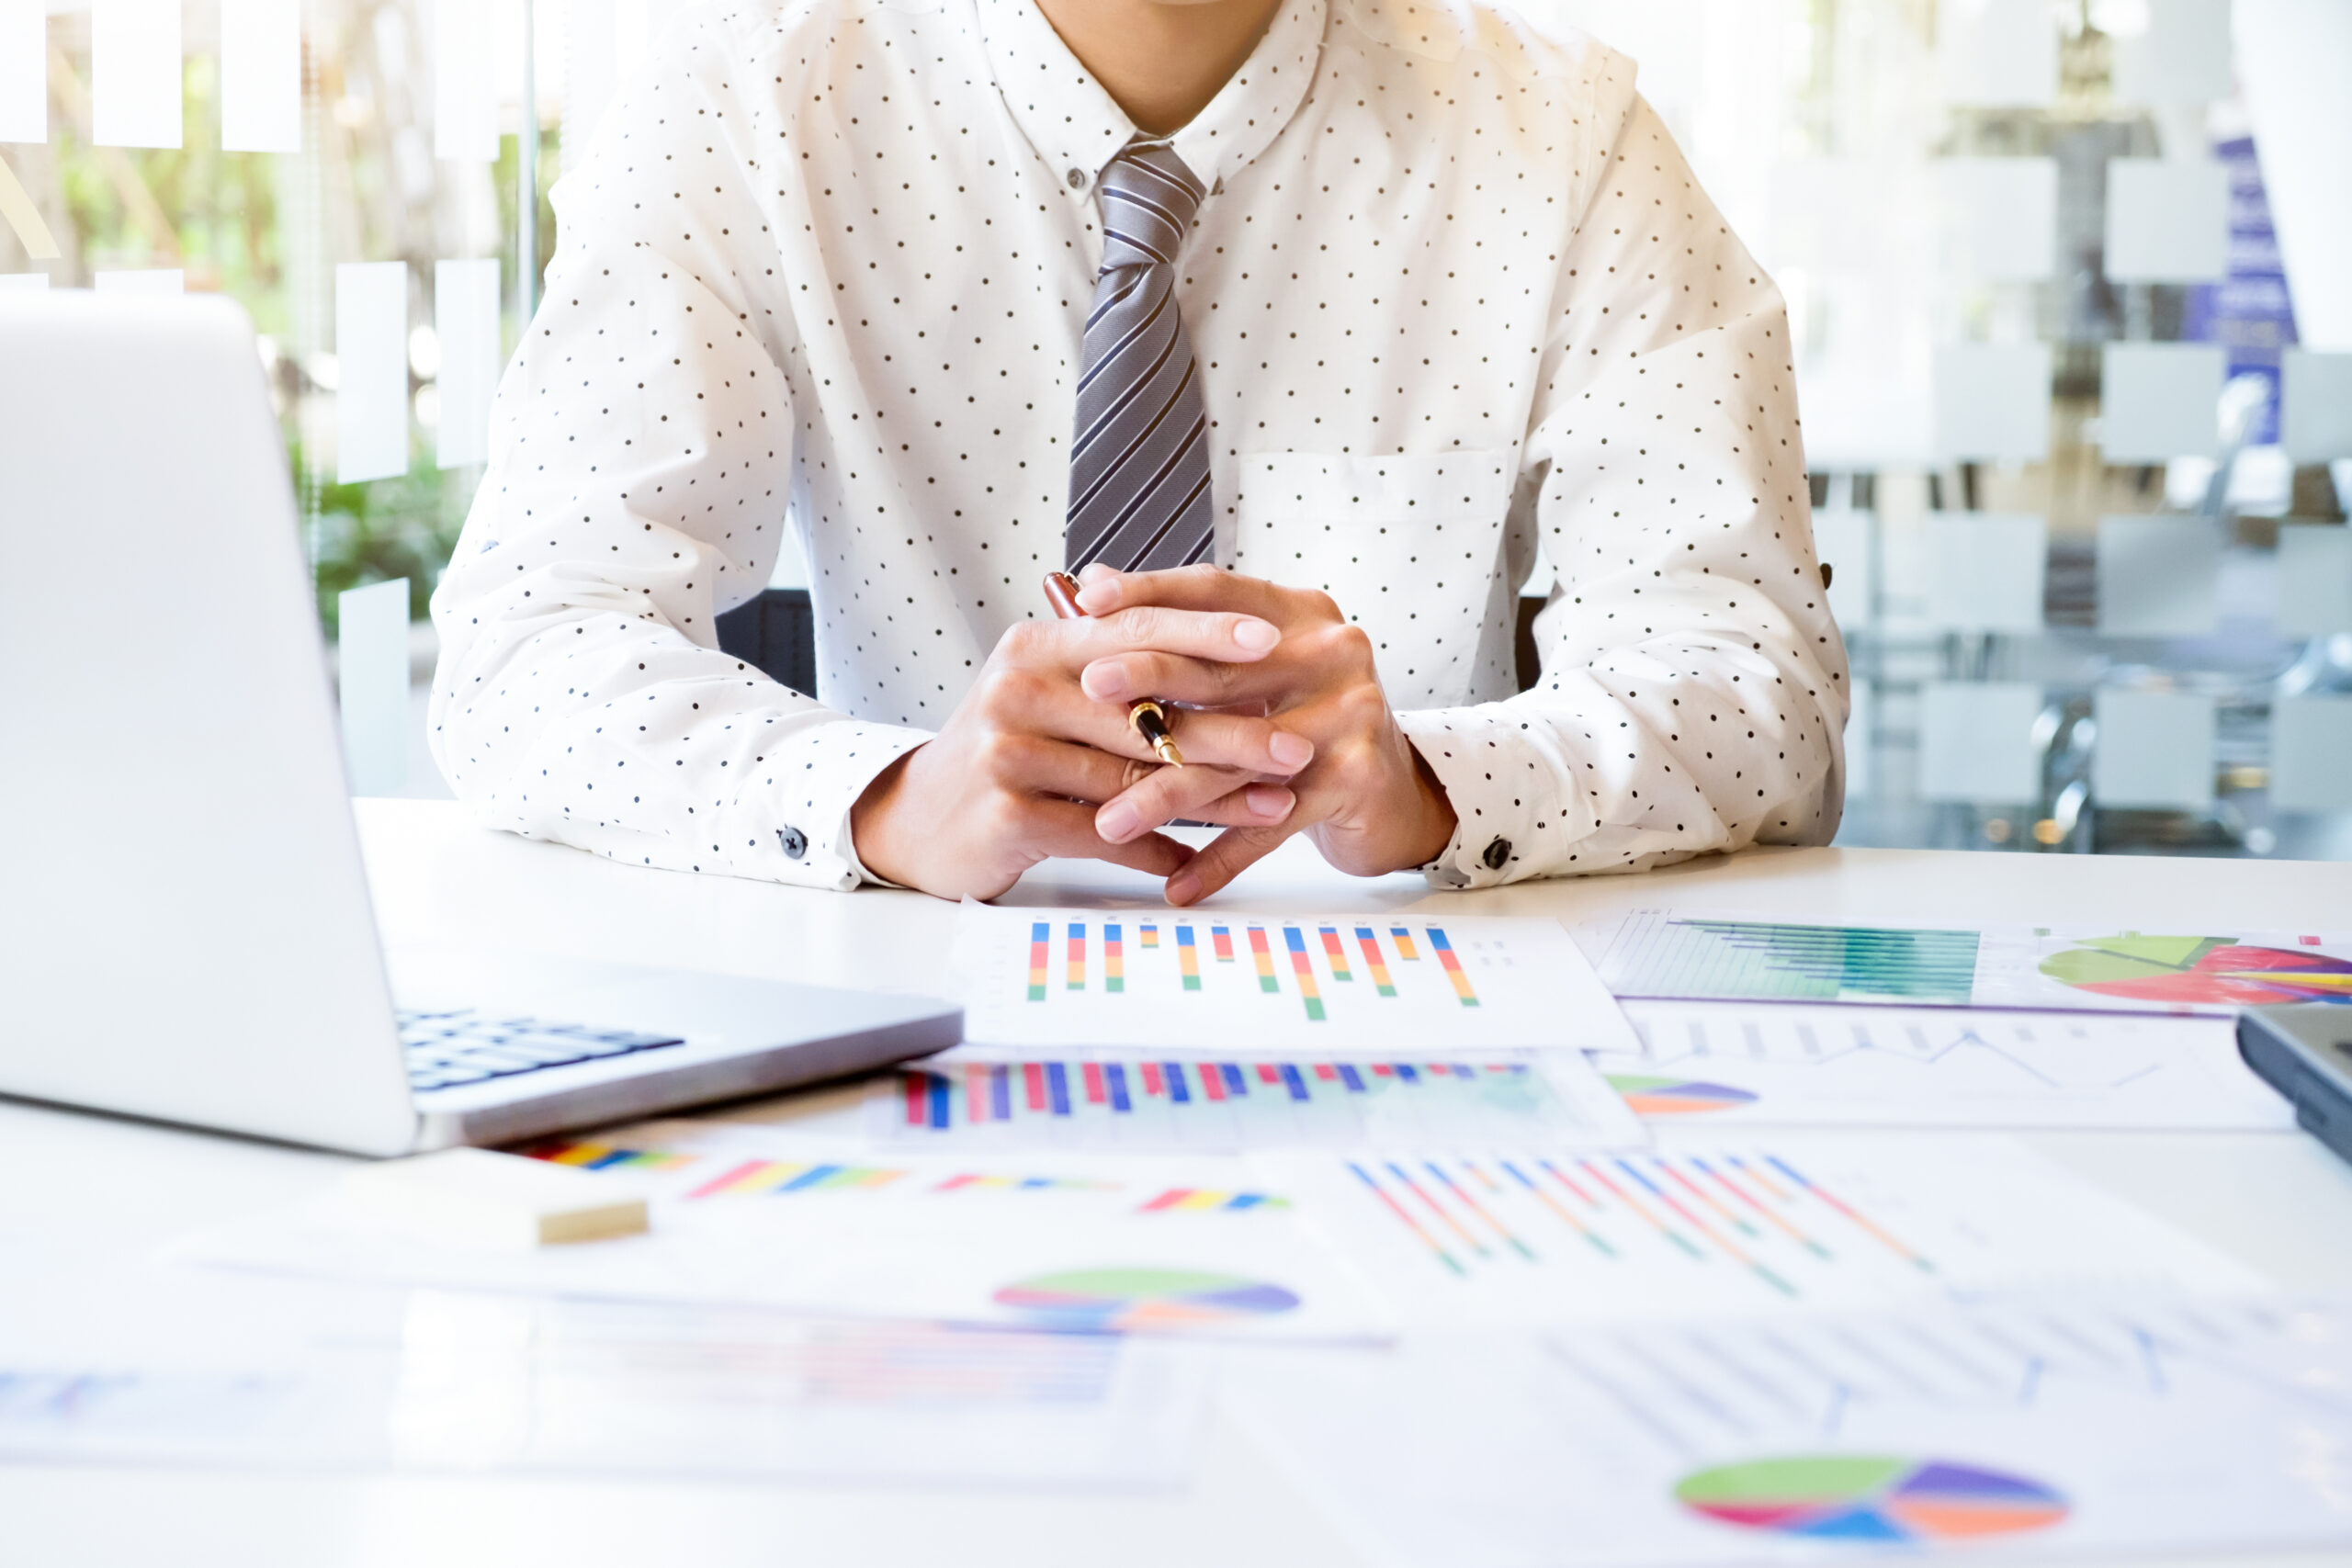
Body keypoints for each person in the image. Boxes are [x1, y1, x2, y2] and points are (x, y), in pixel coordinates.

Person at [429, 0, 1849, 907]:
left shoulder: (1567, 135)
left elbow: (1759, 692)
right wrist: (881, 801)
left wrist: (1432, 783)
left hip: (1427, 1019)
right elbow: (522, 659)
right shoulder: (747, 106)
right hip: (917, 1019)